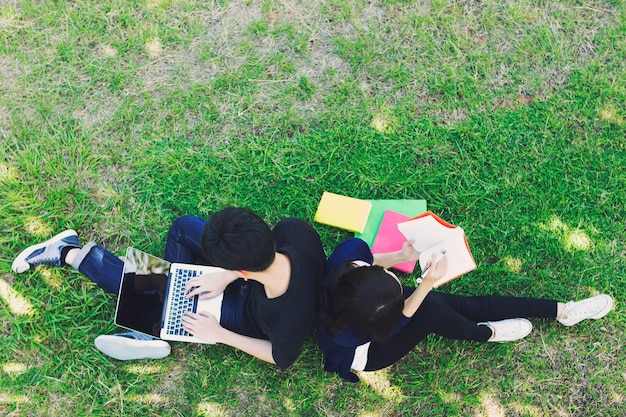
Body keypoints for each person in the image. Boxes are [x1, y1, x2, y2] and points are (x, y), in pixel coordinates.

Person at [12, 208, 326, 369]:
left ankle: (69, 252)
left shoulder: (286, 319)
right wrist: (227, 275)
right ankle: (152, 326)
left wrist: (220, 335)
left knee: (160, 293)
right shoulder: (293, 232)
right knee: (184, 227)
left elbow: (280, 358)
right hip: (248, 278)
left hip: (244, 314)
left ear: (244, 269)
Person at [317, 238, 614, 382]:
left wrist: (401, 256)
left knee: (458, 305)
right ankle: (485, 333)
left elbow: (374, 266)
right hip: (368, 352)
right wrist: (425, 285)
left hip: (369, 309)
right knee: (430, 311)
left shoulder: (348, 256)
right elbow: (397, 323)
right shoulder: (347, 337)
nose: (398, 277)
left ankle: (562, 310)